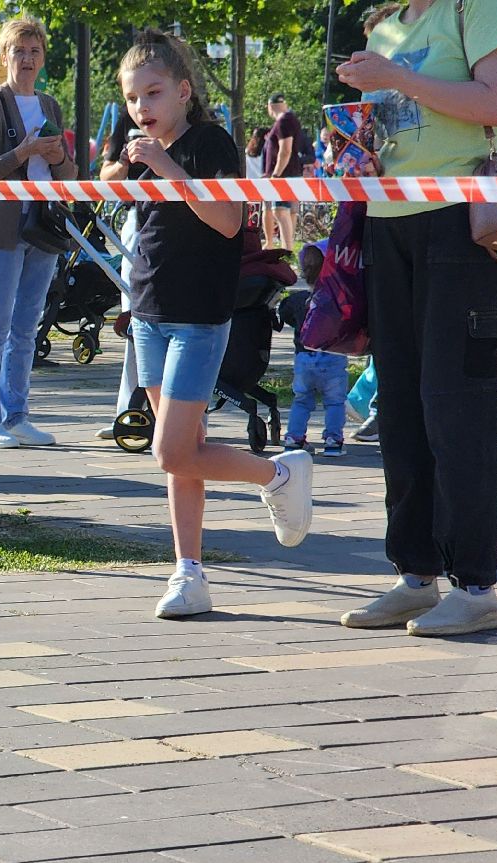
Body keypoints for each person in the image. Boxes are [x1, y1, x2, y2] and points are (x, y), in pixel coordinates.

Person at [109, 29, 314, 619]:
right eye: (132, 99)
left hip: (200, 316)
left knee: (170, 450)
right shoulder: (141, 152)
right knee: (185, 451)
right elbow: (115, 199)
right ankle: (189, 571)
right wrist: (118, 173)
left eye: (153, 93)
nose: (141, 109)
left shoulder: (211, 145)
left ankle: (275, 475)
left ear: (183, 90)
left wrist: (167, 166)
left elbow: (226, 221)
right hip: (148, 309)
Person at [335, 0, 497, 636]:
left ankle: (475, 586)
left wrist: (395, 78)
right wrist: (356, 147)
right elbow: (398, 131)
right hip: (390, 225)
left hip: (462, 224)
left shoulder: (479, 6)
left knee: (456, 403)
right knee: (402, 408)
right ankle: (415, 575)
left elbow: (496, 105)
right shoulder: (385, 24)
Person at [0, 19, 76, 449]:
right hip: (0, 233)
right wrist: (22, 152)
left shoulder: (49, 104)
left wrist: (57, 153)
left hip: (43, 230)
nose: (27, 59)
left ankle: (17, 415)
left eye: (34, 51)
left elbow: (69, 173)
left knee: (27, 327)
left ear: (42, 58)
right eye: (19, 51)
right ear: (4, 57)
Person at [276, 242, 349, 456]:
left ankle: (294, 437)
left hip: (304, 358)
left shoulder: (298, 300)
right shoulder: (340, 299)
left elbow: (286, 315)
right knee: (335, 402)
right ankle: (333, 440)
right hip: (333, 357)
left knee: (301, 399)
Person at [262, 93, 310, 250]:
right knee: (286, 211)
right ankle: (287, 248)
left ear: (270, 106)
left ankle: (287, 249)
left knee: (280, 211)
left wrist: (276, 174)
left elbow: (285, 150)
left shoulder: (284, 121)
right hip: (289, 172)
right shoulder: (288, 120)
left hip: (284, 174)